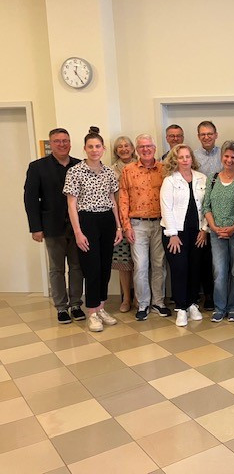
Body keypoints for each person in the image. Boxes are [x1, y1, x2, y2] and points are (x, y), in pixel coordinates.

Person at [63, 127, 122, 332]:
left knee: (105, 267)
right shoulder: (75, 171)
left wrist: (118, 226)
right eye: (91, 146)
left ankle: (101, 308)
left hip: (107, 220)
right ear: (85, 149)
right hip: (87, 220)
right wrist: (78, 232)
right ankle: (92, 313)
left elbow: (113, 200)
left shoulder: (109, 172)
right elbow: (71, 205)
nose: (94, 150)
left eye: (98, 146)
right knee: (92, 268)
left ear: (103, 149)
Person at [24, 128, 84, 324]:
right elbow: (30, 199)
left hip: (78, 227)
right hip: (52, 226)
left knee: (77, 267)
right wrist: (35, 227)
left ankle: (76, 304)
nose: (62, 144)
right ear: (51, 144)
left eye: (65, 140)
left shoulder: (80, 165)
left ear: (70, 143)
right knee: (57, 269)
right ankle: (61, 307)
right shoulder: (37, 167)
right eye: (57, 141)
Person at [119, 134, 170, 320]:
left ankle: (158, 302)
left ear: (154, 148)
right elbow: (123, 199)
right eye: (142, 147)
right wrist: (126, 226)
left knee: (159, 264)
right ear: (137, 150)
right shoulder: (128, 170)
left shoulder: (164, 170)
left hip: (160, 223)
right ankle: (143, 304)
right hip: (137, 224)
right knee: (140, 266)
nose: (146, 149)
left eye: (149, 146)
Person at [160, 144, 207, 327]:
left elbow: (207, 205)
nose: (185, 160)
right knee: (179, 269)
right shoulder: (170, 181)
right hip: (175, 233)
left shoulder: (201, 178)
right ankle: (181, 307)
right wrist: (172, 234)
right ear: (175, 159)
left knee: (195, 268)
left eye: (188, 156)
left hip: (197, 232)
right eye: (181, 157)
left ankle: (192, 303)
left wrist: (204, 229)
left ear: (192, 158)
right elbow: (166, 208)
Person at [203, 141, 234, 322]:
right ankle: (220, 307)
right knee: (219, 272)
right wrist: (213, 227)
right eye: (226, 156)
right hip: (216, 233)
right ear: (221, 157)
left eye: (233, 157)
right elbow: (206, 206)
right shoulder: (212, 178)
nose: (229, 160)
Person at [192, 120, 219, 311]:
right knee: (200, 257)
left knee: (215, 259)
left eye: (210, 133)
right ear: (198, 136)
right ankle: (203, 295)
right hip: (199, 212)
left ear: (216, 135)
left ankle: (214, 295)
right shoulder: (193, 156)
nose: (207, 137)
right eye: (203, 134)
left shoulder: (223, 154)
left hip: (220, 212)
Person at [111, 135, 137, 312]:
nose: (124, 149)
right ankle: (126, 298)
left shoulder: (142, 165)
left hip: (139, 219)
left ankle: (138, 297)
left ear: (133, 148)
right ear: (116, 151)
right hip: (119, 220)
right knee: (124, 262)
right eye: (120, 146)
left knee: (140, 262)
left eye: (127, 145)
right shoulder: (110, 171)